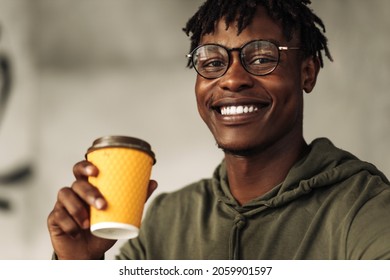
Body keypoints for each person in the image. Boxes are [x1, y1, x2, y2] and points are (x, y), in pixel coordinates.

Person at [47, 0, 390, 260]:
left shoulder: (364, 206)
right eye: (212, 62)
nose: (232, 78)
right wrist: (80, 263)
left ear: (307, 73)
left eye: (260, 58)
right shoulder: (170, 217)